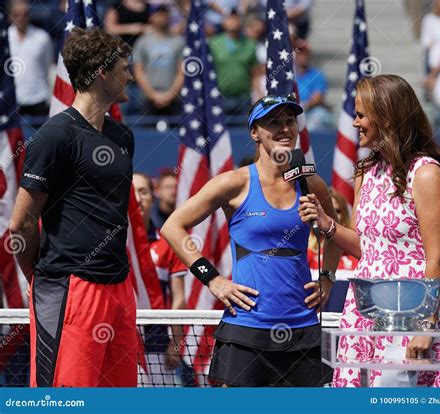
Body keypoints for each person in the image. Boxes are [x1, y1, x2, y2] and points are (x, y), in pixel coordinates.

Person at [299, 74, 440, 388]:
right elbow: (367, 248)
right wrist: (328, 224)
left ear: (387, 117)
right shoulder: (366, 172)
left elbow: (437, 258)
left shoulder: (427, 173)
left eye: (362, 115)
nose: (356, 122)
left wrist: (425, 326)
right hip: (364, 312)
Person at [161, 94, 341, 387]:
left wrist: (327, 278)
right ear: (254, 133)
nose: (285, 128)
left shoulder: (312, 184)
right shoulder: (233, 182)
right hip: (246, 328)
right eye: (273, 122)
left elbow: (333, 234)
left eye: (289, 121)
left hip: (303, 329)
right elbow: (173, 227)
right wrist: (213, 280)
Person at [9, 27, 136, 387]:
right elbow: (20, 224)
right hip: (70, 289)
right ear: (101, 73)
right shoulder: (54, 136)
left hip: (120, 288)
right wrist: (42, 279)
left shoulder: (122, 135)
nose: (130, 76)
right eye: (124, 68)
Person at [133, 173, 187, 387]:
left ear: (152, 197)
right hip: (121, 345)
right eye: (132, 193)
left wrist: (176, 342)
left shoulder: (167, 244)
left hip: (158, 348)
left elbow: (178, 299)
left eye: (143, 192)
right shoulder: (111, 244)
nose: (138, 199)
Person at [307, 188, 358, 312]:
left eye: (337, 211)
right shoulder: (305, 254)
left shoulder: (356, 254)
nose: (328, 215)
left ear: (345, 214)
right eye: (323, 211)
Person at [133, 5, 185, 116]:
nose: (161, 17)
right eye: (158, 14)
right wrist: (153, 95)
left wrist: (170, 95)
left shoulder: (179, 41)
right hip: (149, 99)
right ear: (151, 17)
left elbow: (182, 71)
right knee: (147, 132)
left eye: (164, 14)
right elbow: (139, 72)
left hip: (174, 98)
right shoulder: (143, 42)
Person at [8, 0, 54, 116]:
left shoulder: (42, 38)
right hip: (12, 101)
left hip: (39, 99)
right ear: (10, 16)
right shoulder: (4, 39)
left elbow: (48, 66)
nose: (21, 18)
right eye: (17, 14)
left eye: (25, 14)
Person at [209, 9, 259, 115]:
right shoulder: (214, 43)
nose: (234, 21)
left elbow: (255, 73)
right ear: (223, 21)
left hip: (244, 98)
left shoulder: (250, 44)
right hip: (220, 98)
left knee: (244, 129)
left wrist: (258, 96)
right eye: (230, 18)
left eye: (236, 18)